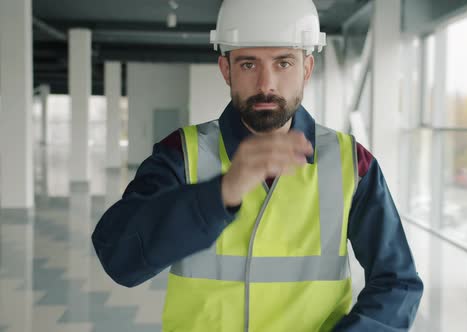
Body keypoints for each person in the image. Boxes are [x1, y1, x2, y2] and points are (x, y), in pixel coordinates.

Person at [92, 0, 423, 331]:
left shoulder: (353, 162)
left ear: (306, 69)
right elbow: (121, 259)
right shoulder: (180, 153)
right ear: (226, 70)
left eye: (283, 63)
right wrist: (219, 194)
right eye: (249, 64)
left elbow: (398, 282)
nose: (267, 84)